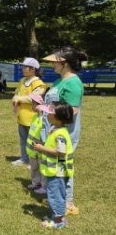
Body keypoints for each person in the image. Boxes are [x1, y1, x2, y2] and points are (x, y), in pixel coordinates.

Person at [41, 46, 87, 216]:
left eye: (55, 62)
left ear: (65, 63)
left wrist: (54, 122)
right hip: (52, 130)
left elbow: (72, 111)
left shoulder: (73, 83)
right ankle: (57, 197)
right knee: (55, 165)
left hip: (64, 132)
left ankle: (67, 201)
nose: (52, 64)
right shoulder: (59, 81)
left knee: (63, 166)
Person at [32, 101, 75, 229]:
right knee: (54, 193)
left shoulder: (60, 134)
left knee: (55, 194)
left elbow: (60, 152)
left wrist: (41, 148)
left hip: (57, 171)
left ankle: (58, 220)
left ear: (57, 117)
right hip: (53, 170)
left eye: (49, 113)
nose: (46, 114)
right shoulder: (55, 128)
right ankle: (56, 215)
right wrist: (42, 144)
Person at [11, 57, 46, 166]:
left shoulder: (39, 83)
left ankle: (34, 160)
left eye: (25, 67)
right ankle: (24, 158)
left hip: (33, 117)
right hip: (22, 116)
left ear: (33, 69)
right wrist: (15, 98)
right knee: (23, 139)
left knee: (34, 140)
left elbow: (34, 98)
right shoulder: (22, 81)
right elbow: (17, 92)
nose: (23, 69)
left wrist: (19, 99)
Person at [26, 94, 46, 194]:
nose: (32, 106)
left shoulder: (43, 119)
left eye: (33, 104)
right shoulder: (35, 117)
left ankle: (44, 186)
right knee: (34, 168)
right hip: (32, 150)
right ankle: (36, 182)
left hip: (40, 149)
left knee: (42, 168)